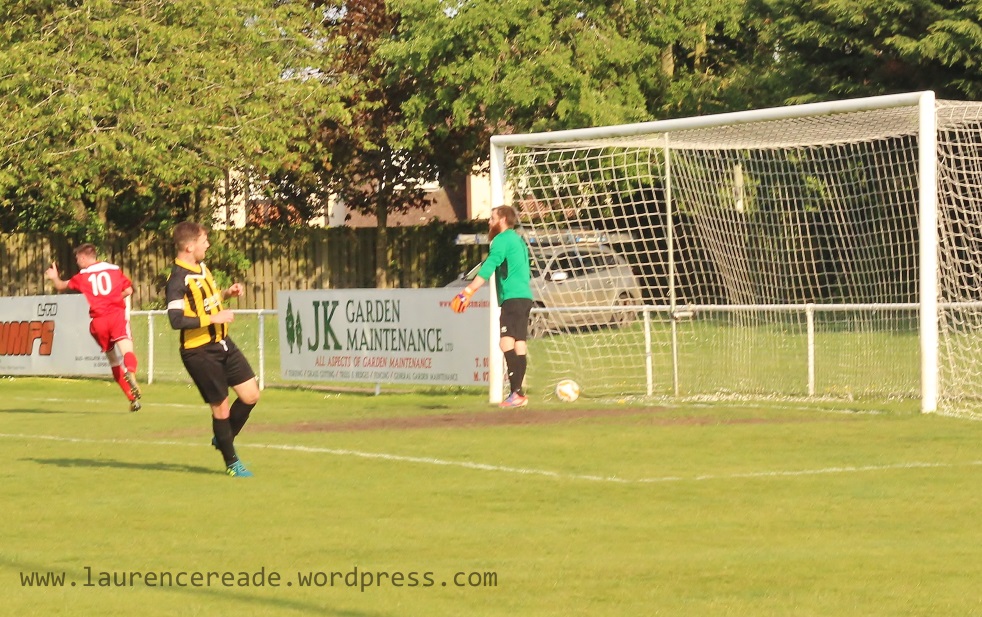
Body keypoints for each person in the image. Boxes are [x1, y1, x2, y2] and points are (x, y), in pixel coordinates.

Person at [165, 221, 260, 478]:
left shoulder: (202, 269)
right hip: (199, 352)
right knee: (221, 408)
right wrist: (213, 319)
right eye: (204, 241)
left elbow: (207, 301)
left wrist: (226, 293)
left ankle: (223, 437)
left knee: (251, 395)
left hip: (222, 343)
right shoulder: (177, 279)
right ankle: (232, 463)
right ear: (189, 246)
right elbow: (175, 320)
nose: (207, 245)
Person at [450, 205, 534, 408]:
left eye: (492, 218)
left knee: (505, 343)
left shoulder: (501, 239)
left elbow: (490, 265)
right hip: (524, 296)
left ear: (502, 220)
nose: (489, 222)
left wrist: (468, 291)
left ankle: (516, 393)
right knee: (519, 344)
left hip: (512, 298)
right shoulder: (518, 240)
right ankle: (518, 394)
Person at [45, 244, 142, 412]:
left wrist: (54, 277)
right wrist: (113, 298)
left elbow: (60, 286)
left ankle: (132, 400)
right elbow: (128, 290)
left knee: (113, 360)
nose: (77, 262)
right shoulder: (113, 269)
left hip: (99, 322)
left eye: (77, 259)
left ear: (83, 258)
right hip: (116, 316)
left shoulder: (83, 276)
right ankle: (131, 372)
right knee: (127, 350)